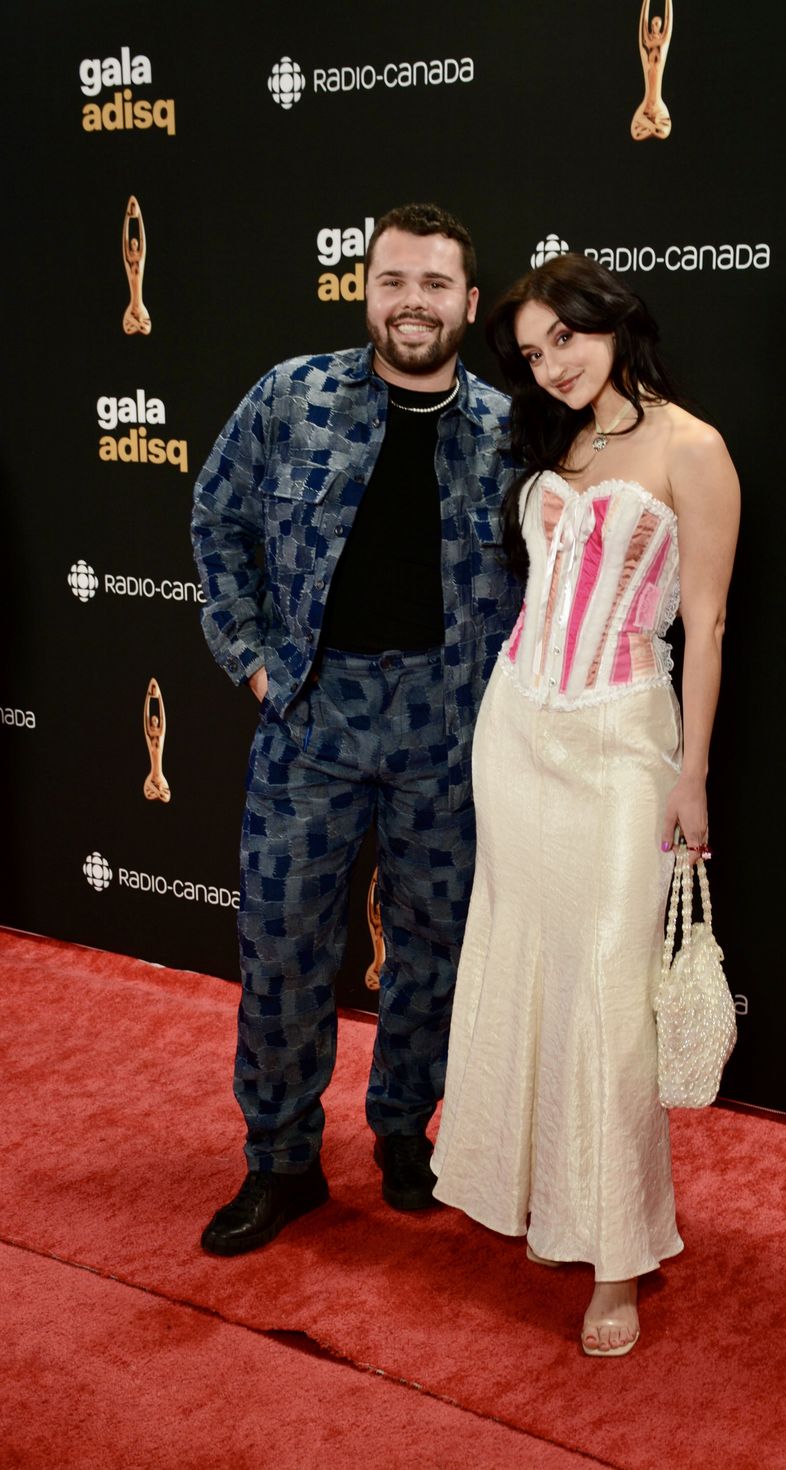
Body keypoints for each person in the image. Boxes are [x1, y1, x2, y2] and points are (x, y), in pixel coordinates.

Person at [191, 203, 520, 1256]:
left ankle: (403, 1136)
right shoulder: (291, 397)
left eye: (434, 284)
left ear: (469, 303)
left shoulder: (512, 430)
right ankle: (280, 1162)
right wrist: (253, 663)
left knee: (433, 949)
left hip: (448, 725)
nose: (411, 302)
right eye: (393, 280)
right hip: (310, 715)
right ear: (362, 288)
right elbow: (216, 524)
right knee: (283, 946)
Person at [431, 254, 740, 1356]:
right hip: (515, 726)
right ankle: (532, 1198)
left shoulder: (691, 448)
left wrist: (690, 771)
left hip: (620, 742)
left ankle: (616, 1256)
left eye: (563, 338)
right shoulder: (552, 442)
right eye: (528, 353)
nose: (549, 365)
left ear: (611, 322)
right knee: (524, 965)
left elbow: (702, 628)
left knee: (608, 1004)